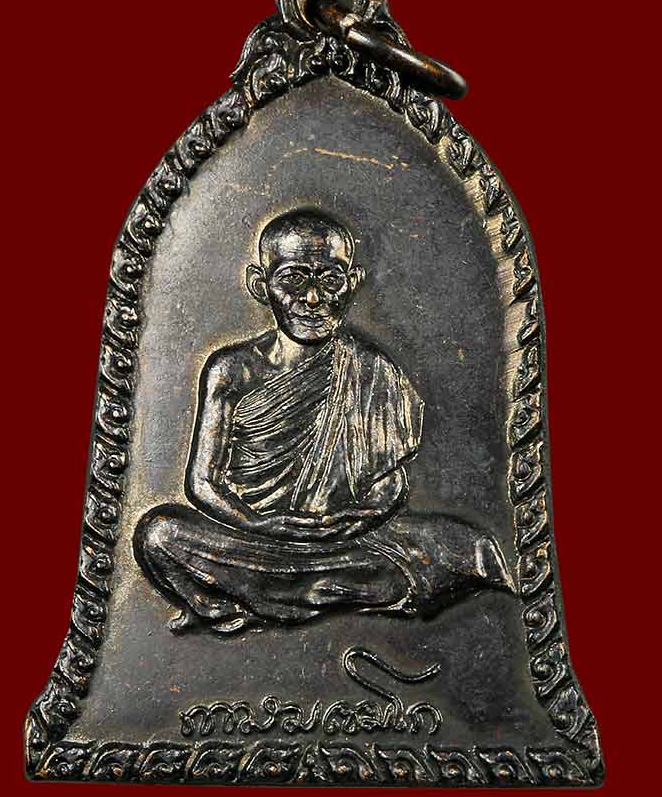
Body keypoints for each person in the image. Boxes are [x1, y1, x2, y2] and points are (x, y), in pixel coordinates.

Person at [134, 209, 513, 634]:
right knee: (159, 535)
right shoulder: (233, 369)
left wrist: (363, 517)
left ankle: (262, 595)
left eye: (329, 280)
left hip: (344, 540)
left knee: (467, 548)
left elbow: (389, 481)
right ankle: (307, 591)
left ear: (351, 284)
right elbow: (203, 483)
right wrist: (258, 522)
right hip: (256, 537)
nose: (313, 298)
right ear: (261, 286)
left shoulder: (371, 370)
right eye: (293, 280)